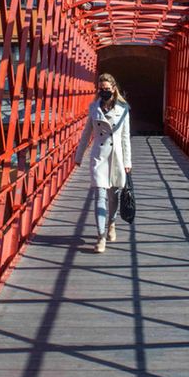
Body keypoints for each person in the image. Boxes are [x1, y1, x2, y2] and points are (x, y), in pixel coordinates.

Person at [73, 73, 131, 253]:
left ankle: (111, 224)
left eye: (107, 89)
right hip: (99, 156)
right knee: (99, 196)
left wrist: (128, 161)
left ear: (113, 89)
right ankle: (101, 236)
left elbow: (125, 137)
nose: (104, 92)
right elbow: (85, 134)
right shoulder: (93, 108)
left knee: (113, 197)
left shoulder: (123, 109)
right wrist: (79, 155)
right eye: (101, 89)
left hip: (116, 158)